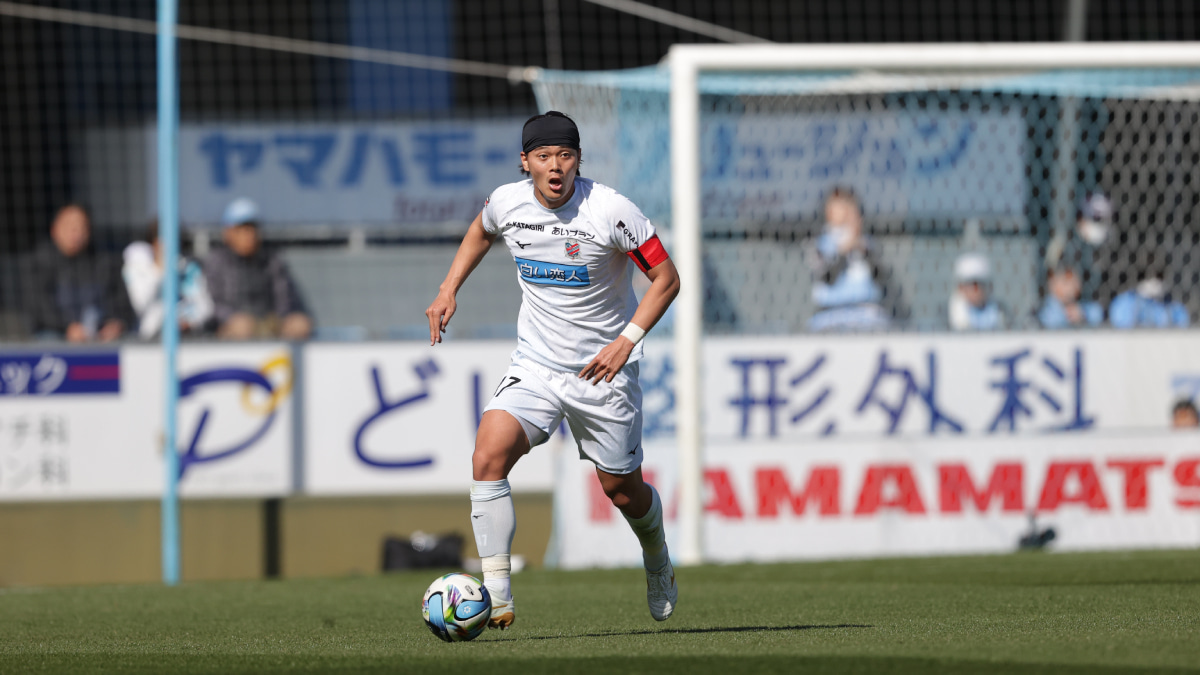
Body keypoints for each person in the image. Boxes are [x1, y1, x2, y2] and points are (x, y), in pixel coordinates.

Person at [424, 111, 680, 629]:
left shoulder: (611, 210)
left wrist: (625, 342)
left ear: (578, 160)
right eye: (543, 157)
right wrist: (449, 287)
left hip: (602, 374)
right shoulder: (506, 202)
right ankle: (496, 594)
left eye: (565, 156)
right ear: (526, 162)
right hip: (536, 365)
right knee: (488, 452)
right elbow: (480, 230)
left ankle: (657, 557)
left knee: (620, 489)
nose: (555, 166)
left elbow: (666, 279)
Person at [203, 198, 313, 340]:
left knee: (300, 324)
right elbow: (211, 304)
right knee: (242, 327)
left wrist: (280, 319)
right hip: (229, 326)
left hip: (268, 322)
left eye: (252, 228)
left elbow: (285, 297)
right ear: (228, 233)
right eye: (242, 229)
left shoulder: (271, 260)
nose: (249, 235)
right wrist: (232, 317)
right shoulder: (216, 261)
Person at [26, 203, 133, 342]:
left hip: (99, 335)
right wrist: (68, 327)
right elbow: (39, 307)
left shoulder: (104, 261)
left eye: (81, 226)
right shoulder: (40, 262)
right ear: (54, 230)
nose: (76, 232)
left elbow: (123, 304)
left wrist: (116, 324)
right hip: (55, 333)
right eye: (69, 226)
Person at [806, 187, 905, 331]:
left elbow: (881, 277)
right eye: (838, 205)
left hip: (866, 313)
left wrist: (862, 248)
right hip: (830, 315)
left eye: (848, 205)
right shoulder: (818, 243)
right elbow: (826, 278)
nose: (844, 210)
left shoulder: (868, 243)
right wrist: (844, 250)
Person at [122, 220, 214, 339]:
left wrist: (189, 321)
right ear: (154, 243)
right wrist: (160, 272)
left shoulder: (188, 268)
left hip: (186, 336)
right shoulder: (137, 268)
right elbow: (141, 306)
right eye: (164, 240)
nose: (170, 245)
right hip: (149, 339)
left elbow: (206, 307)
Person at [947, 253, 1009, 331]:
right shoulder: (947, 316)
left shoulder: (1001, 311)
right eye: (971, 285)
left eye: (981, 285)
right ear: (961, 288)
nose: (976, 290)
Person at [1038, 266, 1104, 329]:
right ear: (1053, 283)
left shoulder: (1080, 305)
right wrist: (1067, 317)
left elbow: (1097, 312)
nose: (1073, 286)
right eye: (1066, 281)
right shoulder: (1046, 309)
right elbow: (1050, 321)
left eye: (1075, 280)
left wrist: (1083, 315)